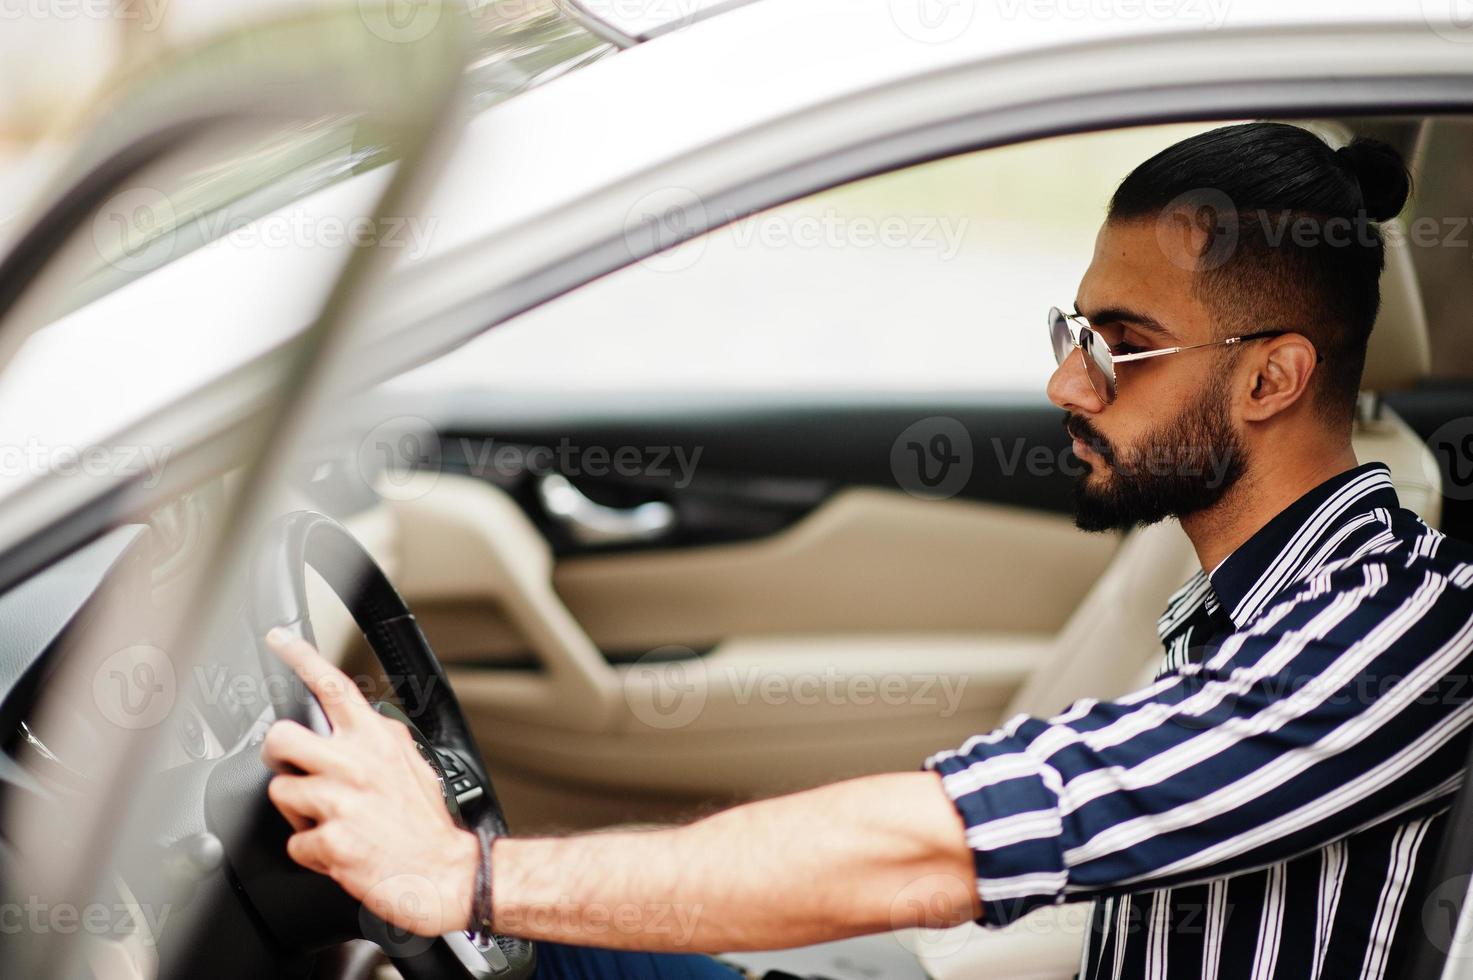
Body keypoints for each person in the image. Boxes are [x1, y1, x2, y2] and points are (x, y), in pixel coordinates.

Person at [258, 122, 1473, 978]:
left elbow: (946, 840)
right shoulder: (1269, 593)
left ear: (1272, 376)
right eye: (1072, 327)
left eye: (1120, 342)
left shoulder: (1386, 638)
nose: (1063, 379)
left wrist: (468, 876)